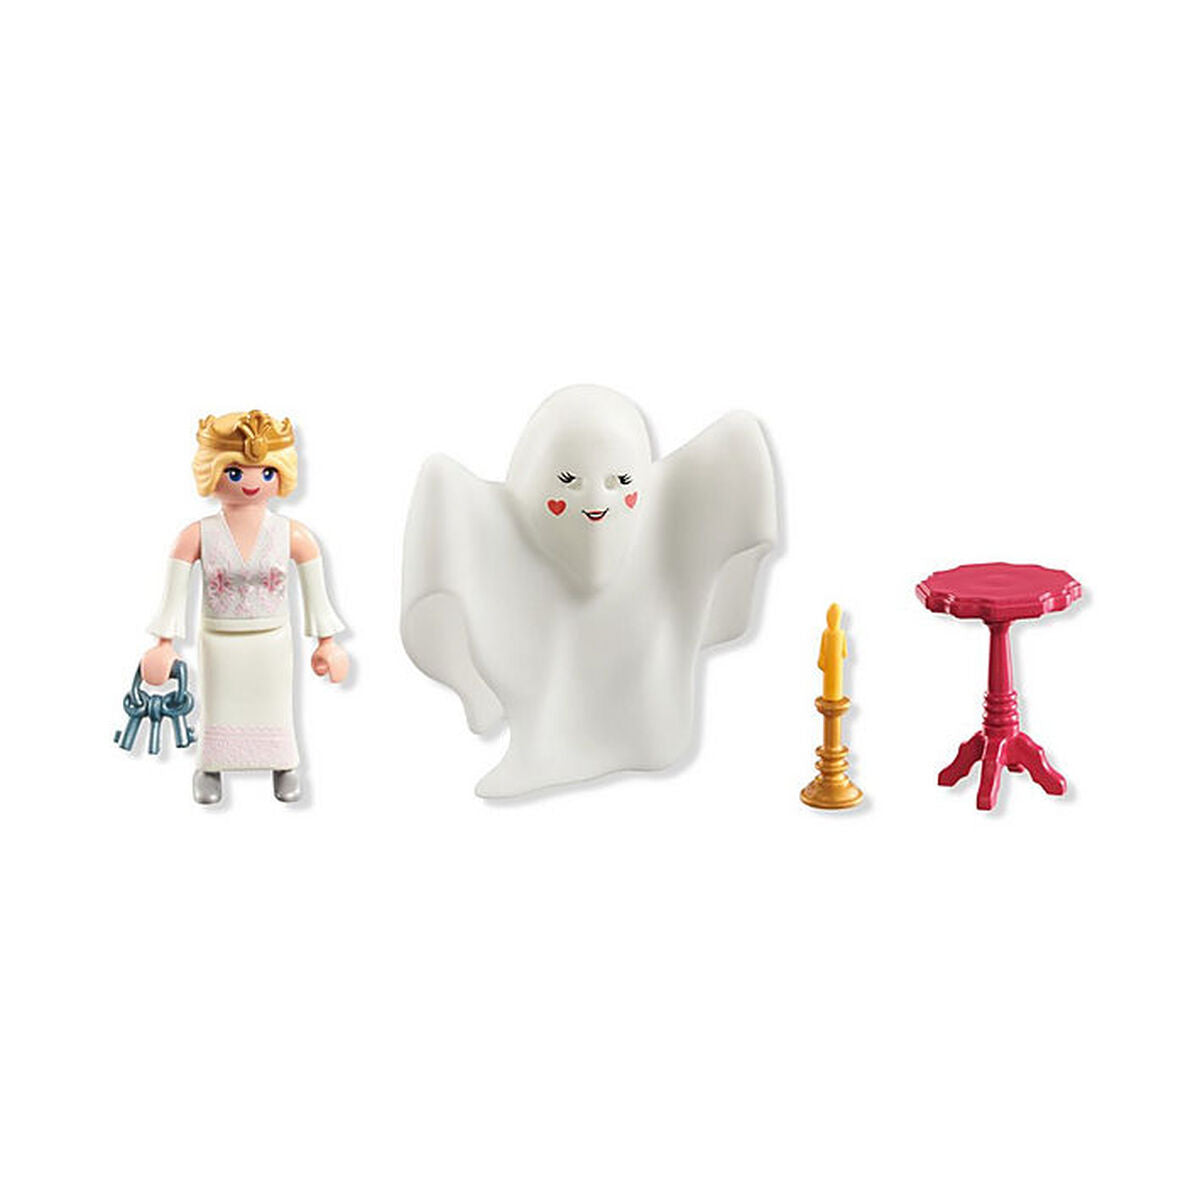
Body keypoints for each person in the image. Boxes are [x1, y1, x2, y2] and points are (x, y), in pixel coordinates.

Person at [143, 410, 348, 804]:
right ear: (211, 472)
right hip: (219, 638)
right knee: (219, 703)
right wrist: (163, 643)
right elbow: (174, 594)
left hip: (272, 640)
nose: (252, 482)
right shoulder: (197, 535)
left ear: (282, 472)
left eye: (266, 471)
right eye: (235, 472)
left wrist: (328, 641)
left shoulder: (293, 535)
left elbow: (316, 593)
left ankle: (283, 764)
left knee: (274, 704)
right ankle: (211, 766)